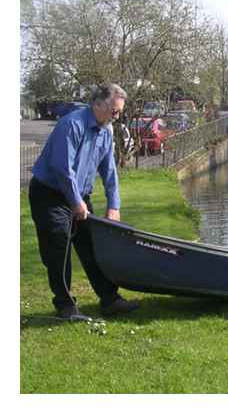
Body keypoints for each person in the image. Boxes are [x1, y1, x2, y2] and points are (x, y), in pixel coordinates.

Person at [29, 83, 140, 320]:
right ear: (98, 104)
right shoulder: (71, 125)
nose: (117, 116)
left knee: (93, 246)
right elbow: (62, 168)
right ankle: (66, 306)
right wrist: (76, 202)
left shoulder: (106, 131)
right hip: (50, 194)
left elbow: (110, 171)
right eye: (114, 111)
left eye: (119, 112)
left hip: (78, 195)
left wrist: (114, 205)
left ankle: (110, 300)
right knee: (58, 248)